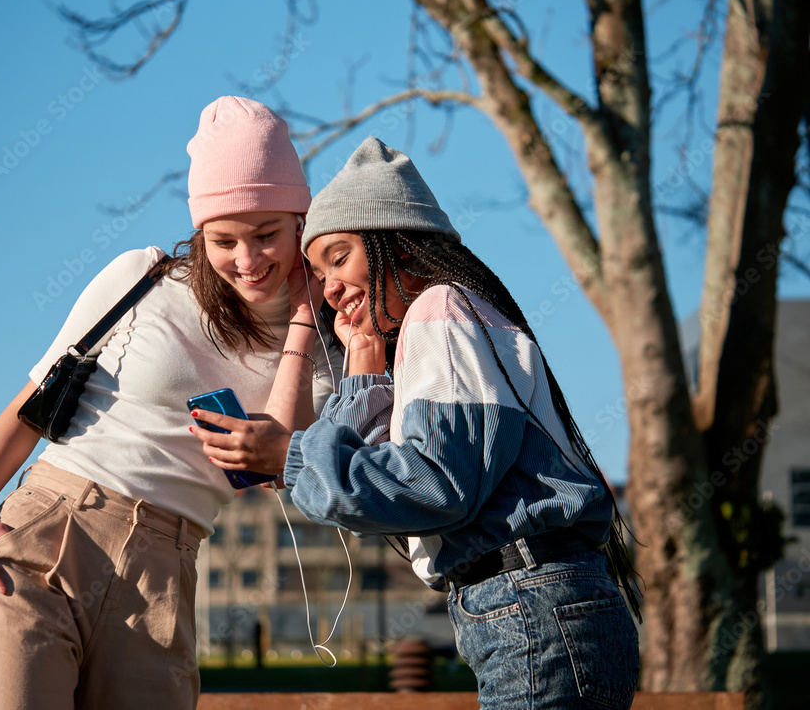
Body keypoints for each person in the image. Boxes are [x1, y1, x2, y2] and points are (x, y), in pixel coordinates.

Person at [196, 137, 641, 709]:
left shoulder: (440, 310)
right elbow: (381, 490)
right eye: (317, 272)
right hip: (531, 603)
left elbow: (433, 486)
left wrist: (290, 457)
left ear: (395, 245)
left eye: (339, 257)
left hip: (531, 603)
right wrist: (360, 379)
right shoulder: (435, 328)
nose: (328, 288)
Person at [0, 96, 336, 710]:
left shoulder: (329, 342)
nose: (247, 260)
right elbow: (29, 408)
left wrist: (301, 322)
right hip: (49, 533)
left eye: (267, 235)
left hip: (164, 572)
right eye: (223, 239)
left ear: (301, 217)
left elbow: (273, 454)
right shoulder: (143, 278)